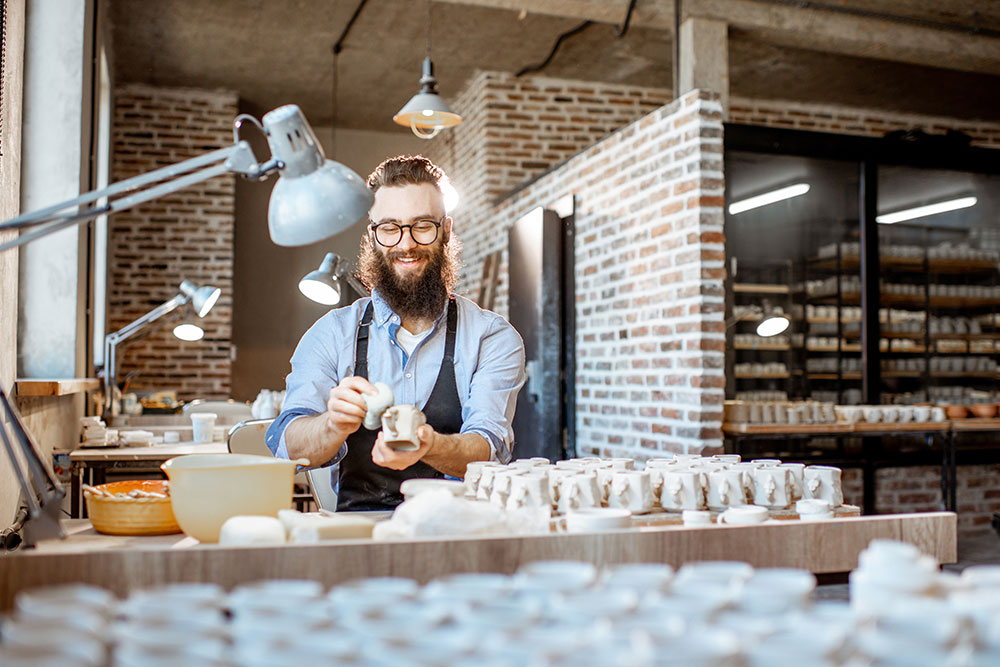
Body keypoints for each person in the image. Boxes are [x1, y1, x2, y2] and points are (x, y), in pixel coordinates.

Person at [265, 155, 526, 511]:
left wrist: (428, 445)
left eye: (422, 226)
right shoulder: (330, 334)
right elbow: (289, 447)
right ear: (372, 236)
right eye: (390, 228)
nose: (406, 245)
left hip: (457, 529)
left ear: (445, 230)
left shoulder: (491, 338)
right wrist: (332, 424)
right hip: (357, 535)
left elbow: (488, 448)